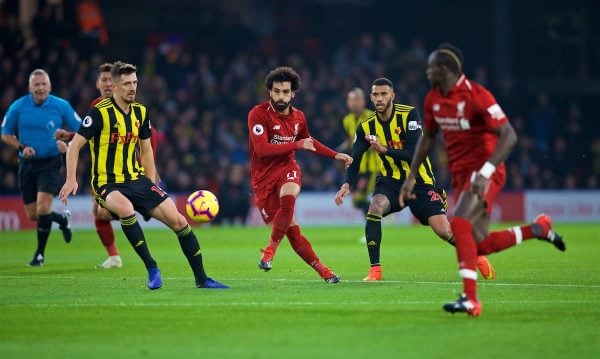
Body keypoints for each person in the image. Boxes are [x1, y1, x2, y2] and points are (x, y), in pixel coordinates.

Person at [400, 43, 566, 316]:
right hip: (462, 175)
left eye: (431, 68)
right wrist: (411, 176)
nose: (427, 72)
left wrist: (487, 171)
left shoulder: (477, 96)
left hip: (486, 172)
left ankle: (470, 299)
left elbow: (509, 135)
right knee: (479, 244)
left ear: (446, 70)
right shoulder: (433, 99)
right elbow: (428, 138)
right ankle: (537, 230)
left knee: (460, 225)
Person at [59, 61, 227, 290]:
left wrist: (149, 183)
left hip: (136, 179)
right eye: (127, 83)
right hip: (107, 182)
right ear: (116, 87)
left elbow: (146, 149)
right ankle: (151, 267)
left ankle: (202, 279)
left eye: (135, 82)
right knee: (126, 210)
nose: (132, 87)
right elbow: (75, 145)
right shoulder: (99, 113)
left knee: (179, 221)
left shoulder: (140, 112)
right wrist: (71, 179)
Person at [334, 78, 495, 282]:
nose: (380, 98)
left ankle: (476, 254)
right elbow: (355, 158)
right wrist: (347, 182)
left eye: (384, 94)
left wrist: (386, 149)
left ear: (392, 95)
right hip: (390, 182)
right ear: (371, 98)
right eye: (376, 95)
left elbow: (415, 152)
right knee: (374, 207)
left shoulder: (409, 114)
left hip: (419, 181)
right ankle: (375, 270)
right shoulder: (366, 125)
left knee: (444, 231)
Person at [248, 66, 352, 283]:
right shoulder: (258, 114)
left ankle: (269, 252)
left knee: (289, 200)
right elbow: (262, 149)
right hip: (263, 178)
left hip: (288, 168)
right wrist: (297, 144)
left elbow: (310, 142)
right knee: (293, 233)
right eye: (276, 91)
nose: (280, 96)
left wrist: (336, 155)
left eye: (285, 92)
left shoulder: (299, 117)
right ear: (270, 91)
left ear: (293, 93)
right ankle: (323, 270)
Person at [55, 62, 161, 269]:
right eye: (103, 80)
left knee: (106, 210)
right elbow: (91, 133)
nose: (107, 84)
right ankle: (115, 254)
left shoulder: (134, 109)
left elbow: (147, 138)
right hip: (106, 173)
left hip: (131, 171)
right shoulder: (97, 107)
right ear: (98, 84)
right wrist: (70, 137)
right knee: (100, 212)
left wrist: (149, 176)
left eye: (109, 80)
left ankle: (122, 248)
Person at [1, 69, 80, 266]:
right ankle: (62, 220)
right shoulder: (18, 107)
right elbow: (5, 133)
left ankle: (39, 255)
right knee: (33, 214)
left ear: (50, 86)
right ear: (30, 87)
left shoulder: (62, 106)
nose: (40, 88)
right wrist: (21, 147)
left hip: (51, 163)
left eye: (43, 84)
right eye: (36, 85)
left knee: (44, 206)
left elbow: (82, 131)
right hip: (27, 164)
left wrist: (67, 144)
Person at [338, 88, 377, 214]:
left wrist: (364, 146)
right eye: (350, 99)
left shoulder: (372, 117)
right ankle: (375, 216)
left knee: (358, 198)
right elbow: (350, 140)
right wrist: (340, 150)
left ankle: (380, 210)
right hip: (357, 166)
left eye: (356, 99)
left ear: (363, 101)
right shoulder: (347, 120)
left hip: (372, 166)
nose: (353, 102)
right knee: (356, 200)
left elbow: (378, 140)